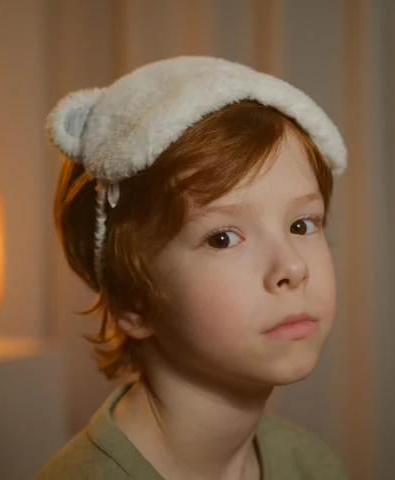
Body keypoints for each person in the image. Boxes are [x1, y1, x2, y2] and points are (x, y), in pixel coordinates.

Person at [34, 56, 348, 480]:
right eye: (222, 238)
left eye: (301, 224)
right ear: (133, 301)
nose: (292, 265)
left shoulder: (312, 466)